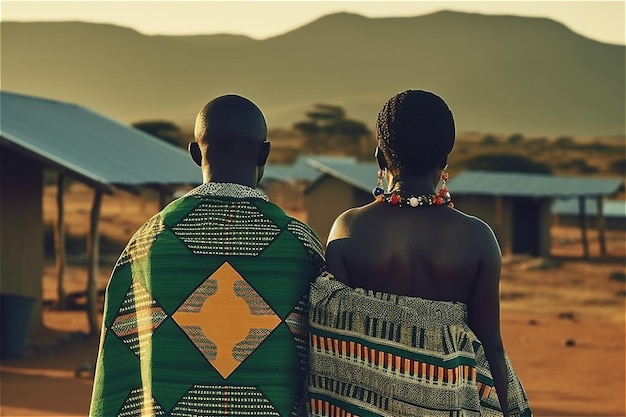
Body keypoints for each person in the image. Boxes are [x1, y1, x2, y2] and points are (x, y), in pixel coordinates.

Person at [89, 94, 325, 417]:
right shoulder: (301, 246)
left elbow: (121, 367)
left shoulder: (147, 244)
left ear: (193, 153)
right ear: (265, 153)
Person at [308, 89, 532, 417]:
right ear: (445, 161)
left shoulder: (347, 230)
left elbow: (335, 341)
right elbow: (492, 347)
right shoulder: (477, 237)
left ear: (380, 159)